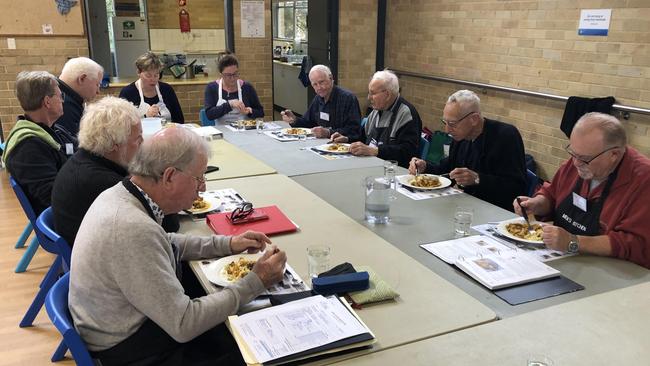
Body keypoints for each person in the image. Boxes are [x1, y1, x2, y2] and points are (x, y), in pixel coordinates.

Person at [69, 126, 287, 364]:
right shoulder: (131, 228)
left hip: (120, 325)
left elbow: (164, 241)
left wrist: (229, 243)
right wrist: (257, 281)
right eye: (199, 177)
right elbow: (184, 323)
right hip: (132, 349)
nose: (203, 187)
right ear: (170, 176)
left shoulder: (121, 195)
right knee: (259, 350)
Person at [515, 112, 650, 269]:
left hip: (611, 271)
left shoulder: (643, 181)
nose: (576, 163)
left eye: (584, 158)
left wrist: (574, 242)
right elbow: (552, 193)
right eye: (573, 153)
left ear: (614, 154)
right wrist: (538, 203)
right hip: (561, 259)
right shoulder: (578, 162)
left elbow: (634, 243)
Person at [51, 96, 180, 247]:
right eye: (138, 139)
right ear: (114, 144)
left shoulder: (86, 159)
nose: (142, 144)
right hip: (103, 261)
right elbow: (167, 225)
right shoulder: (105, 182)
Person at [408, 90, 527, 211]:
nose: (447, 130)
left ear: (474, 119)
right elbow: (448, 170)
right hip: (467, 206)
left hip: (495, 211)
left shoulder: (505, 136)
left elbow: (516, 187)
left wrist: (477, 179)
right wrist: (425, 167)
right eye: (445, 122)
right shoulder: (461, 136)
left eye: (452, 123)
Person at [2, 71, 69, 215]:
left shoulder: (54, 129)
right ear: (47, 102)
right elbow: (52, 197)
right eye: (60, 96)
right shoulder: (27, 147)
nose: (63, 101)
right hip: (64, 220)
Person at [331, 70, 421, 167]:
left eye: (372, 93)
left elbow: (408, 151)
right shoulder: (375, 112)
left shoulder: (406, 114)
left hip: (394, 171)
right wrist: (347, 139)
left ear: (387, 95)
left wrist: (375, 151)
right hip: (371, 164)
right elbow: (362, 138)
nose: (369, 98)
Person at [281, 64, 361, 139]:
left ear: (331, 78)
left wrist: (328, 132)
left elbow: (355, 131)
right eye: (315, 84)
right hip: (320, 144)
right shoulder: (318, 98)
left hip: (341, 147)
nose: (319, 87)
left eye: (321, 82)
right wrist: (294, 120)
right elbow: (308, 123)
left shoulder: (348, 98)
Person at [119, 52, 185, 123]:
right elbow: (122, 124)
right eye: (148, 75)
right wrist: (145, 116)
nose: (153, 79)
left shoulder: (167, 89)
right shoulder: (128, 93)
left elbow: (179, 120)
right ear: (138, 72)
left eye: (156, 75)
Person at [54, 56, 104, 147]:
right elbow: (75, 147)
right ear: (82, 79)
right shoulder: (62, 104)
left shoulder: (67, 99)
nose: (98, 91)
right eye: (97, 84)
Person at [204, 51, 263, 124]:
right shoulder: (212, 88)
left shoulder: (247, 87)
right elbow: (209, 115)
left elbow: (260, 112)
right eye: (228, 75)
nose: (232, 78)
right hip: (222, 132)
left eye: (235, 74)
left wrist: (249, 111)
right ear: (221, 75)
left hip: (244, 132)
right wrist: (229, 104)